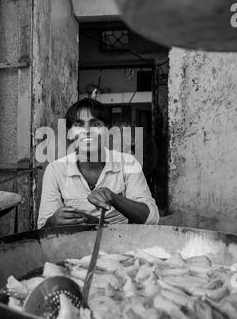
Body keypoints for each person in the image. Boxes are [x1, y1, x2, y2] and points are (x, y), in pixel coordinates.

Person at [37, 98, 159, 228]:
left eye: (95, 124)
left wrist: (113, 197)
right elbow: (43, 227)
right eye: (79, 124)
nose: (87, 130)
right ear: (70, 133)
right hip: (74, 244)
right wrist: (52, 222)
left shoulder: (128, 163)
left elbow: (152, 219)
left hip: (121, 242)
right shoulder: (55, 169)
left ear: (107, 131)